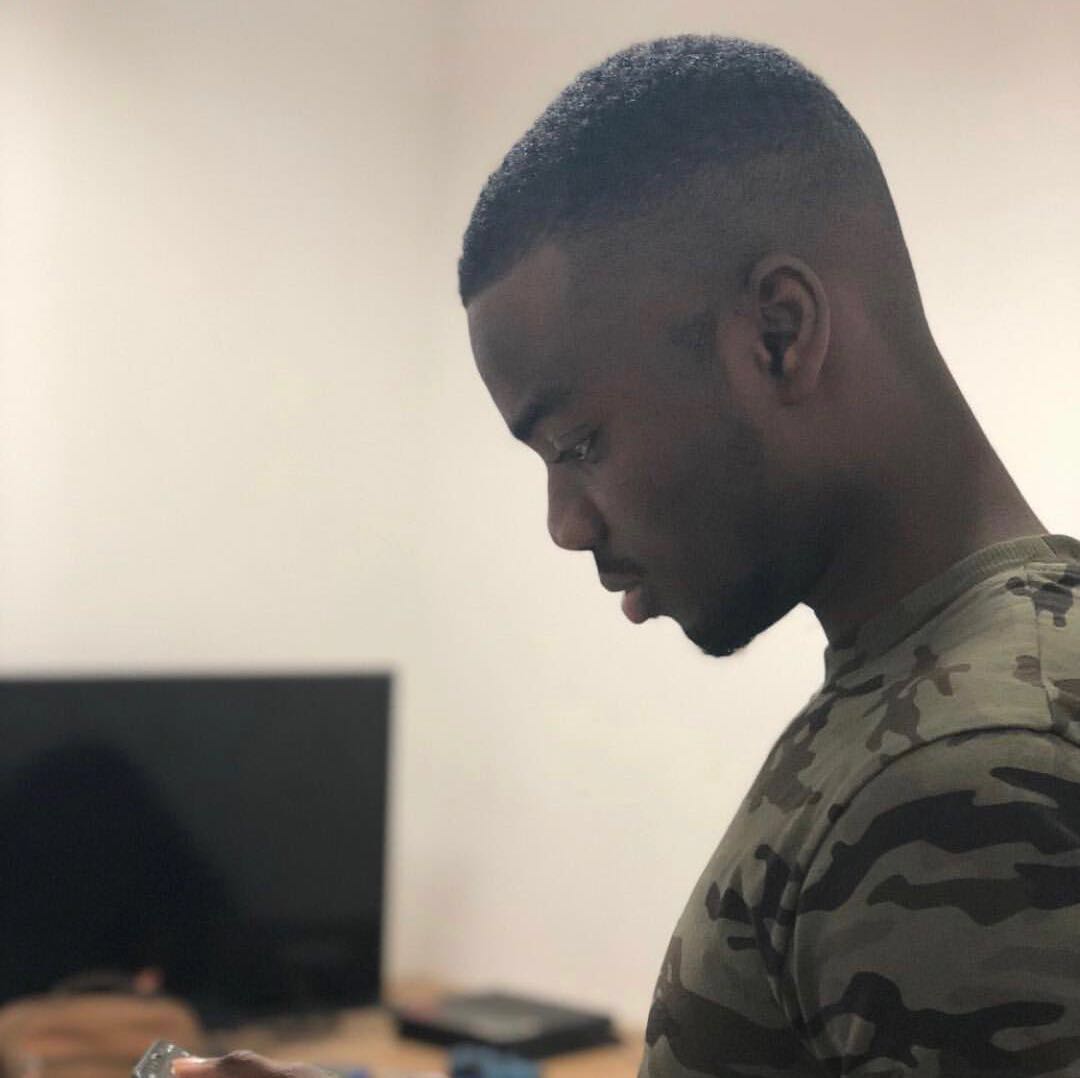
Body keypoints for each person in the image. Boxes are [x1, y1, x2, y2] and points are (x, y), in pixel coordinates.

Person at [177, 34, 1080, 1078]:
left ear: (779, 334)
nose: (565, 524)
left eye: (579, 444)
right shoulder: (949, 694)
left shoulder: (966, 777)